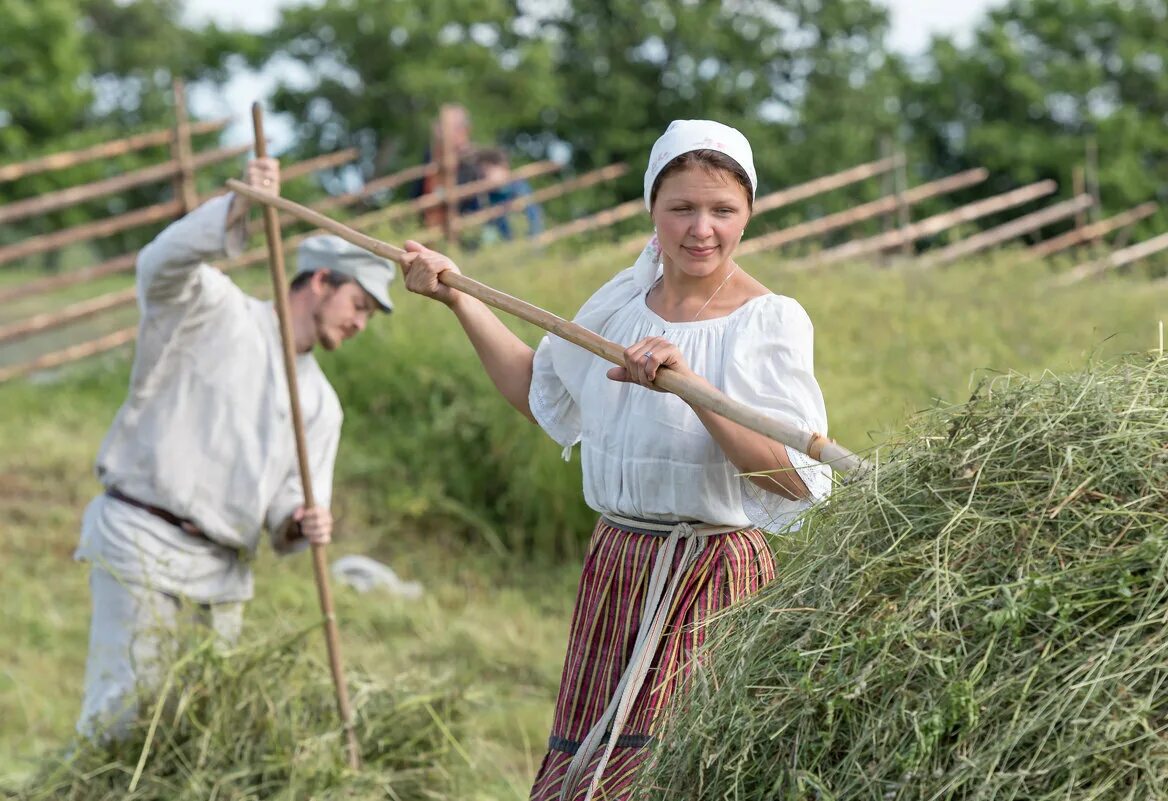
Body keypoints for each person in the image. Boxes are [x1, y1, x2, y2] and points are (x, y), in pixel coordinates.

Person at [400, 120, 831, 801]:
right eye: (681, 208)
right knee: (584, 774)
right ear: (651, 210)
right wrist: (458, 297)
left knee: (659, 779)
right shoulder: (620, 305)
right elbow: (537, 389)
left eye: (723, 210)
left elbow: (796, 478)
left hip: (712, 576)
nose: (701, 229)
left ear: (749, 214)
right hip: (618, 567)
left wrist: (699, 393)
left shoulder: (768, 321)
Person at [73, 157, 396, 741]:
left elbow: (289, 508)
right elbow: (158, 264)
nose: (360, 324)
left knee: (195, 735)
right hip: (141, 543)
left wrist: (302, 522)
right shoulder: (211, 310)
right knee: (121, 724)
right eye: (359, 305)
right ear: (319, 280)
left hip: (222, 576)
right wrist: (237, 208)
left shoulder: (322, 404)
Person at [473, 147, 544, 243]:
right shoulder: (489, 196)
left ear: (503, 167)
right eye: (482, 175)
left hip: (526, 241)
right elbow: (488, 231)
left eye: (486, 173)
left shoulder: (518, 187)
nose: (483, 179)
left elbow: (534, 220)